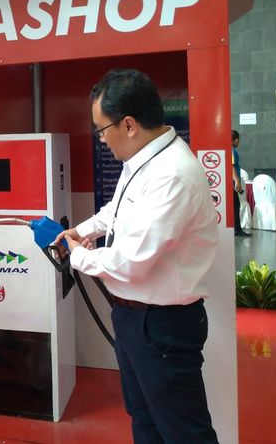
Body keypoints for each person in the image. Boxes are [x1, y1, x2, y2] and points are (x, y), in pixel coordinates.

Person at [54, 69, 219, 443]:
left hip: (162, 326)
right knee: (145, 420)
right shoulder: (143, 161)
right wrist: (82, 231)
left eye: (101, 129)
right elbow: (116, 210)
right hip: (134, 317)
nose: (100, 139)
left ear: (129, 124)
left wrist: (77, 257)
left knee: (184, 432)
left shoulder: (171, 175)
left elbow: (131, 262)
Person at [232, 129, 251, 236]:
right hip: (232, 183)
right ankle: (237, 230)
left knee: (236, 205)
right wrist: (237, 181)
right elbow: (232, 166)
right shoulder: (232, 151)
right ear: (236, 140)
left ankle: (237, 229)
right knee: (235, 206)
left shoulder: (229, 150)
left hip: (231, 182)